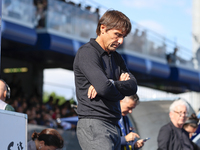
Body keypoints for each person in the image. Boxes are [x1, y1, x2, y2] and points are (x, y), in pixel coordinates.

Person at [73, 9, 137, 150]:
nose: (120, 41)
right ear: (103, 28)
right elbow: (103, 87)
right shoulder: (87, 52)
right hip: (94, 123)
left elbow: (133, 87)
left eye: (123, 37)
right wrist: (115, 87)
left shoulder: (117, 57)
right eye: (117, 35)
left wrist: (112, 83)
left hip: (113, 125)